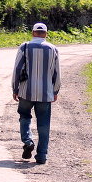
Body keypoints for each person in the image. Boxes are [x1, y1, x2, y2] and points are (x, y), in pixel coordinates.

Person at [11, 22, 61, 165]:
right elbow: (57, 72)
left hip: (26, 91)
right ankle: (42, 156)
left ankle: (28, 140)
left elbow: (17, 69)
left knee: (24, 116)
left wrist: (15, 88)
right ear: (46, 33)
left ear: (33, 33)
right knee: (44, 124)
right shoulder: (53, 49)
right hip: (45, 93)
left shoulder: (24, 47)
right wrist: (55, 90)